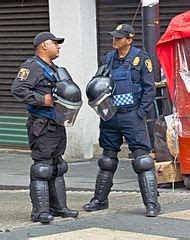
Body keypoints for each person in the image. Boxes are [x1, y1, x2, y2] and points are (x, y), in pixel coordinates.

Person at [84, 24, 161, 217]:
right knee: (107, 160)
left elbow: (149, 89)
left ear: (129, 39)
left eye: (119, 37)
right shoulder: (107, 59)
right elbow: (98, 84)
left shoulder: (141, 59)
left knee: (142, 160)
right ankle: (99, 200)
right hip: (110, 116)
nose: (114, 40)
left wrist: (140, 114)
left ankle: (152, 203)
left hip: (131, 116)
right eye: (114, 37)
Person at [11, 32, 81, 223]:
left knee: (58, 166)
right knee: (42, 168)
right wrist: (43, 99)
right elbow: (18, 89)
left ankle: (59, 207)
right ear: (43, 45)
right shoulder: (31, 67)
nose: (59, 47)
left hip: (57, 124)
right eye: (55, 44)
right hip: (41, 125)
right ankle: (40, 211)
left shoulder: (55, 69)